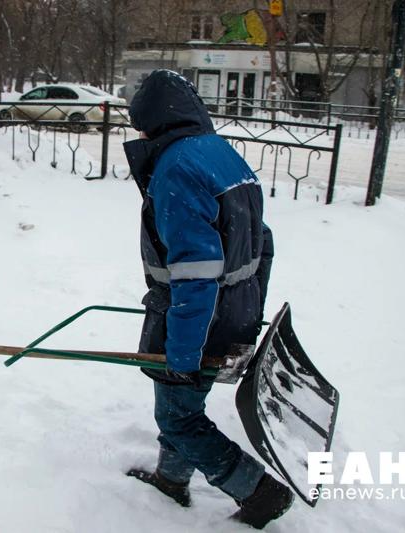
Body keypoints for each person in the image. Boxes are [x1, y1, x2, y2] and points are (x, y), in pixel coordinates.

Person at [122, 69, 292, 530]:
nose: (137, 132)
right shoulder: (221, 154)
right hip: (231, 308)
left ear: (155, 120)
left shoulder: (177, 167)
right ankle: (172, 480)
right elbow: (264, 243)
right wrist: (249, 312)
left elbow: (195, 274)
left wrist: (183, 353)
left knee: (178, 415)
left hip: (199, 315)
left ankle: (259, 491)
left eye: (139, 123)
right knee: (181, 405)